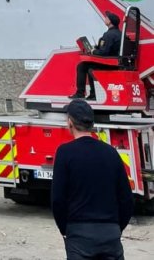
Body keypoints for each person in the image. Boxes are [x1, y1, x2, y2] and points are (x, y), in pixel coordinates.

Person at [52, 98, 133, 259]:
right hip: (110, 234)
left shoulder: (65, 153)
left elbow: (57, 200)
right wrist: (115, 228)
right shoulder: (111, 152)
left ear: (70, 123)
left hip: (79, 235)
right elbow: (127, 199)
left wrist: (66, 230)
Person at [69, 11, 122, 99]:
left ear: (110, 22)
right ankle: (90, 94)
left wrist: (93, 51)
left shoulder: (109, 35)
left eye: (106, 18)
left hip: (110, 64)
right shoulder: (119, 34)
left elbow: (104, 52)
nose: (105, 19)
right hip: (116, 63)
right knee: (86, 66)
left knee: (83, 66)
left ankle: (84, 94)